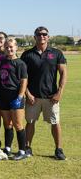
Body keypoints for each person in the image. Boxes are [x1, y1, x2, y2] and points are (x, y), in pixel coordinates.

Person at [21, 26, 67, 160]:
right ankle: (27, 148)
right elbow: (23, 77)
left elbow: (63, 73)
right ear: (34, 37)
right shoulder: (27, 54)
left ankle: (59, 149)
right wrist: (27, 94)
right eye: (39, 34)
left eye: (44, 34)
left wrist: (59, 92)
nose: (42, 36)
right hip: (33, 97)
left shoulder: (56, 53)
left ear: (48, 36)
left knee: (55, 122)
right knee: (30, 122)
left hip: (51, 97)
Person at [0, 38, 28, 160]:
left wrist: (20, 97)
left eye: (11, 47)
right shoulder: (3, 61)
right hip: (4, 96)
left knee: (18, 124)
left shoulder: (20, 63)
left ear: (16, 48)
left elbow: (24, 81)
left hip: (15, 96)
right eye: (7, 47)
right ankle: (8, 148)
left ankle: (22, 151)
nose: (9, 49)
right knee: (7, 124)